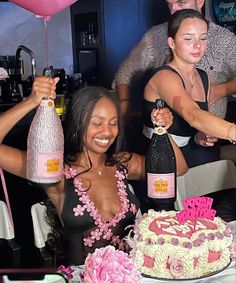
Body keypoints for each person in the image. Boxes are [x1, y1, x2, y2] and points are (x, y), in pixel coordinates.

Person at [0, 77, 187, 265]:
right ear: (78, 124)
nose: (107, 132)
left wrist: (163, 132)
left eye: (113, 123)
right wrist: (31, 102)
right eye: (97, 123)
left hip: (132, 278)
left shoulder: (122, 163)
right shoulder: (56, 172)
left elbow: (178, 168)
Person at [113, 0, 236, 151]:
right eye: (169, 5)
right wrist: (125, 106)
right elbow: (126, 72)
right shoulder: (158, 44)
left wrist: (222, 90)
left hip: (206, 137)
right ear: (171, 42)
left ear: (200, 1)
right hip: (165, 146)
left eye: (180, 2)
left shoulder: (223, 43)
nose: (173, 10)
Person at [142, 9, 236, 170]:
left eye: (203, 38)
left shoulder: (203, 77)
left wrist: (199, 137)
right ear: (172, 43)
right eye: (188, 38)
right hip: (161, 162)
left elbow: (191, 127)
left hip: (192, 154)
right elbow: (194, 116)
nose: (198, 45)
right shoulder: (164, 76)